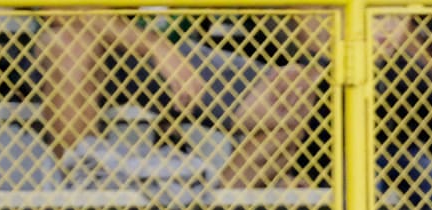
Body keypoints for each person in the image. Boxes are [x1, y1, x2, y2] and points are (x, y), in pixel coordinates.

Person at [35, 12, 323, 188]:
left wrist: (311, 68)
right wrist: (155, 47)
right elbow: (62, 8)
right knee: (68, 43)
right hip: (99, 44)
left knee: (290, 95)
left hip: (183, 54)